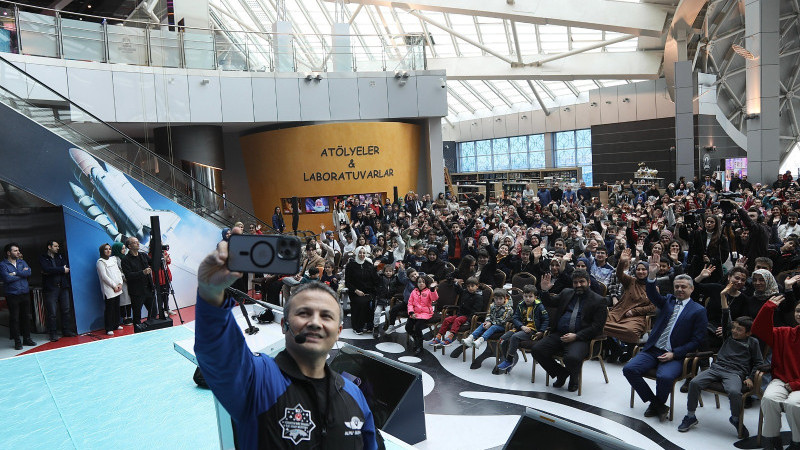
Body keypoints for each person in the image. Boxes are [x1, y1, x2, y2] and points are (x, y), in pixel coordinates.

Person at [193, 239, 378, 449]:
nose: (315, 322)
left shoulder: (354, 395)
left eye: (326, 316)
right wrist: (210, 295)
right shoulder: (258, 380)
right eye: (304, 313)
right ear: (284, 324)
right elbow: (220, 355)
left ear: (338, 332)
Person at [623, 258, 708, 422]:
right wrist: (651, 275)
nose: (679, 289)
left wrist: (675, 354)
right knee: (629, 369)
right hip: (653, 350)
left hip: (674, 355)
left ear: (692, 289)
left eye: (683, 287)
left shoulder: (698, 310)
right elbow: (652, 294)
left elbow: (697, 340)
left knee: (665, 377)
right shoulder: (668, 300)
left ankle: (657, 404)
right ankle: (656, 404)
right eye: (677, 286)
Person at [678, 282, 763, 437]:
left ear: (748, 333)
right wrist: (723, 295)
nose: (734, 331)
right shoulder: (728, 335)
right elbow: (726, 314)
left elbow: (759, 363)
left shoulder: (753, 342)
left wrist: (751, 377)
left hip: (735, 373)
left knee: (734, 392)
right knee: (695, 383)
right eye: (734, 327)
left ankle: (735, 418)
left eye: (739, 329)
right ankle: (690, 416)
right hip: (717, 368)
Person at [533, 270, 608, 392]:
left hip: (581, 338)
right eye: (575, 282)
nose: (578, 285)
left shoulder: (599, 300)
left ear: (589, 282)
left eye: (582, 282)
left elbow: (597, 327)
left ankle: (574, 379)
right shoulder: (566, 292)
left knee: (572, 358)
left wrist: (576, 336)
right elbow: (550, 303)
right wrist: (545, 291)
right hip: (560, 334)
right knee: (537, 350)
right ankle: (561, 373)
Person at [752, 294, 800, 450]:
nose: (799, 314)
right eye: (798, 311)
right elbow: (758, 329)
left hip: (797, 385)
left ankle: (797, 442)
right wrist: (768, 308)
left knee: (793, 404)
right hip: (782, 380)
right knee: (769, 399)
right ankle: (772, 441)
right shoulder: (786, 333)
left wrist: (795, 385)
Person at [604, 249, 656, 363]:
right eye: (638, 269)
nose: (641, 272)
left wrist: (635, 311)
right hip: (619, 312)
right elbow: (619, 274)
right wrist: (622, 262)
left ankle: (629, 352)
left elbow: (653, 307)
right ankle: (615, 349)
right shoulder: (631, 281)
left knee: (631, 331)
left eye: (643, 269)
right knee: (600, 326)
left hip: (636, 317)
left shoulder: (653, 287)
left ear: (648, 271)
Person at [494, 284, 549, 374]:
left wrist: (541, 331)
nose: (527, 298)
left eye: (530, 296)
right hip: (521, 328)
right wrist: (521, 326)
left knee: (514, 337)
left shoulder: (539, 306)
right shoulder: (521, 305)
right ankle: (510, 359)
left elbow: (546, 320)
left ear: (535, 297)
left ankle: (509, 360)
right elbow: (515, 318)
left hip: (532, 330)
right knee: (502, 339)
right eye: (525, 296)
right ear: (523, 296)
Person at [0, 243, 36, 350]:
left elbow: (29, 272)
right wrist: (21, 274)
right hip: (12, 295)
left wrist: (15, 273)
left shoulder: (22, 262)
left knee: (26, 317)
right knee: (15, 318)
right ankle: (17, 341)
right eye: (15, 250)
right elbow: (7, 279)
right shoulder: (3, 265)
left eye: (18, 250)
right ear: (8, 253)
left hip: (24, 293)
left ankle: (27, 339)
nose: (18, 252)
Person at [39, 239, 77, 341]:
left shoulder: (60, 256)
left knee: (66, 310)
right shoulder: (43, 257)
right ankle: (53, 333)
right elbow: (46, 269)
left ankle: (66, 330)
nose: (58, 248)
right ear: (49, 247)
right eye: (55, 246)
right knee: (52, 312)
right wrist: (61, 269)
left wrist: (53, 271)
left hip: (63, 287)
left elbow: (66, 268)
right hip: (51, 288)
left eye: (58, 246)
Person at [431, 276, 484, 347]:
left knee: (457, 320)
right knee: (447, 320)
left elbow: (476, 310)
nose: (470, 288)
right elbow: (459, 290)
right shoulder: (465, 292)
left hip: (467, 316)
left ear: (477, 286)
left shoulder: (478, 297)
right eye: (468, 286)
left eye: (472, 286)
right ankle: (439, 336)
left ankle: (450, 337)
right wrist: (455, 283)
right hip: (460, 314)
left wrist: (469, 320)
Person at [121, 237, 156, 329]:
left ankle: (151, 328)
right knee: (137, 315)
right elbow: (128, 275)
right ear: (129, 246)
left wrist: (160, 257)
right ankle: (138, 331)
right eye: (135, 242)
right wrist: (142, 272)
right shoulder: (125, 260)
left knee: (153, 311)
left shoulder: (143, 255)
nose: (138, 243)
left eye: (138, 242)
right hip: (137, 292)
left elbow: (153, 263)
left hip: (149, 289)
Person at [345, 246, 381, 334]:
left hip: (368, 292)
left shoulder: (369, 265)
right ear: (357, 253)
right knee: (361, 303)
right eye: (360, 253)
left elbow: (375, 280)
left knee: (371, 303)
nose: (362, 255)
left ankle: (369, 325)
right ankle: (358, 326)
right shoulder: (350, 265)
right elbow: (348, 282)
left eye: (364, 253)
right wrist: (356, 291)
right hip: (355, 292)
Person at [406, 275, 439, 355]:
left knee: (418, 327)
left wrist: (432, 289)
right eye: (419, 282)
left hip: (425, 314)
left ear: (426, 283)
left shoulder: (429, 291)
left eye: (423, 282)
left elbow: (434, 299)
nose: (421, 284)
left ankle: (419, 346)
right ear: (416, 283)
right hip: (415, 313)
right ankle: (416, 339)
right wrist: (411, 312)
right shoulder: (414, 291)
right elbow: (410, 303)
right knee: (408, 327)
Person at [96, 243, 124, 336]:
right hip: (109, 289)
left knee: (116, 307)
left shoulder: (113, 259)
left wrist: (120, 283)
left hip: (118, 287)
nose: (108, 251)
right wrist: (114, 286)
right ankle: (109, 328)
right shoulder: (100, 262)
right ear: (102, 251)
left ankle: (116, 324)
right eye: (106, 249)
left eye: (109, 249)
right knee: (110, 308)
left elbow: (118, 272)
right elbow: (104, 276)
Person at [111, 242, 132, 325]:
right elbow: (116, 271)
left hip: (129, 281)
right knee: (123, 301)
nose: (124, 250)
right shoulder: (114, 259)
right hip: (121, 282)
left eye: (124, 248)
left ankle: (129, 316)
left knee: (129, 300)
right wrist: (124, 277)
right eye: (122, 248)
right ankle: (124, 318)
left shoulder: (126, 257)